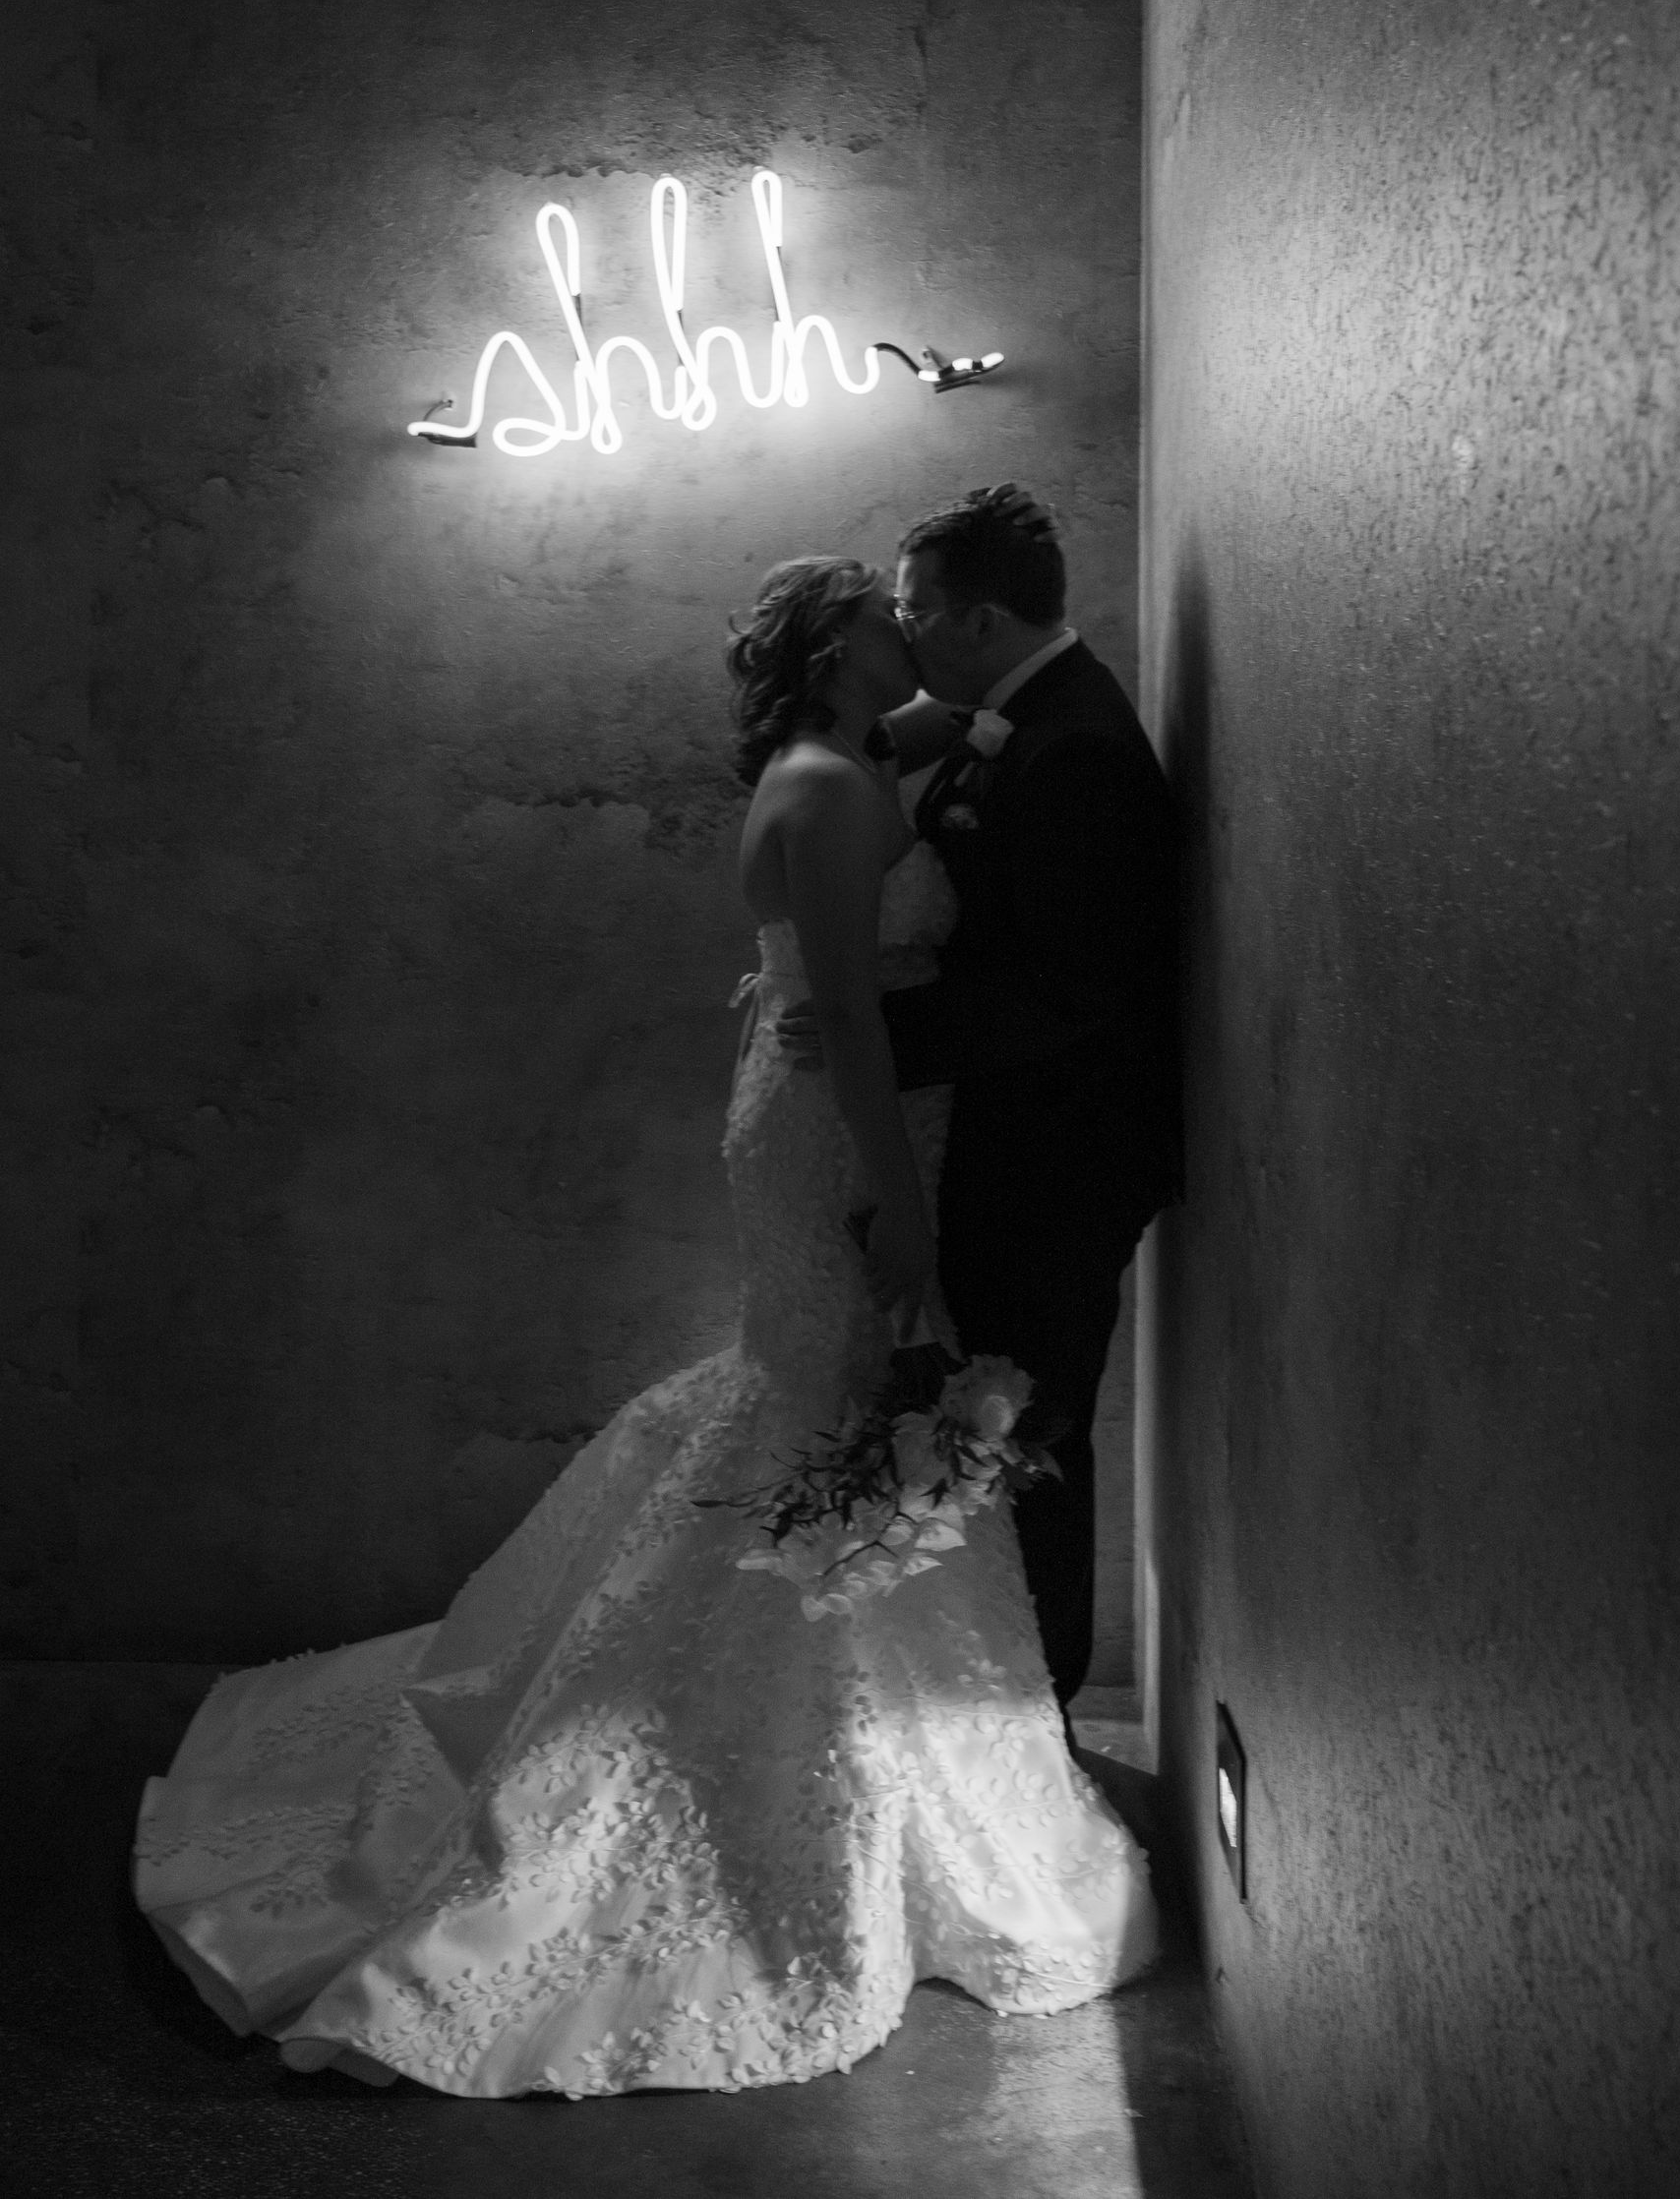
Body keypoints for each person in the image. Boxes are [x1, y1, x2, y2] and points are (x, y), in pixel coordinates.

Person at [133, 554, 1158, 2101]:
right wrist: (904, 1211)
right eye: (886, 623)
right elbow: (857, 1025)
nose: (912, 638)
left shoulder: (872, 752)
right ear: (834, 657)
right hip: (842, 1135)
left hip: (869, 1105)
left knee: (821, 1408)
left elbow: (968, 727)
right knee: (817, 1398)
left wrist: (998, 710)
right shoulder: (823, 789)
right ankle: (708, 1758)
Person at [789, 485, 1181, 1715]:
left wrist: (870, 1032)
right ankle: (994, 1686)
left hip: (1062, 1157)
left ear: (977, 619)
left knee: (1030, 1437)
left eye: (915, 609)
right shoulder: (1009, 709)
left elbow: (1068, 991)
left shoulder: (1073, 752)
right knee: (990, 1424)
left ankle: (1043, 1705)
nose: (905, 632)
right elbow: (896, 751)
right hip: (1011, 1133)